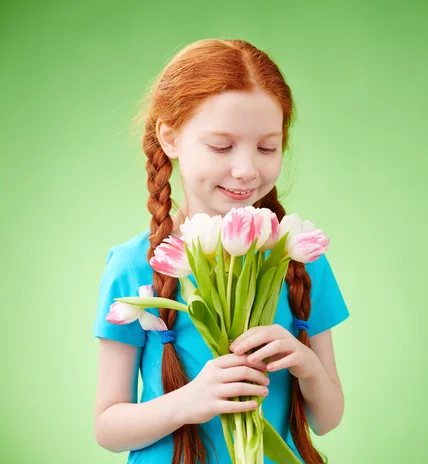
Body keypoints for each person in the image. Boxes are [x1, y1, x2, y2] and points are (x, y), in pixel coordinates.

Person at [93, 38, 350, 464]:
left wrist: (305, 364)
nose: (247, 169)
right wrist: (191, 400)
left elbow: (328, 418)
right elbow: (108, 427)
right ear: (170, 138)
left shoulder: (298, 259)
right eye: (221, 146)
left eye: (267, 147)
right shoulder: (134, 265)